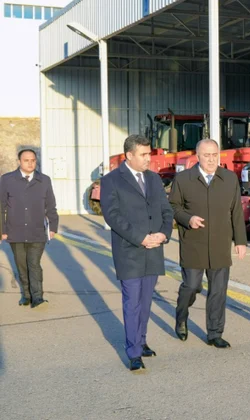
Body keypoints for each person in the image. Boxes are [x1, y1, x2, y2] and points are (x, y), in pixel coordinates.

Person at [100, 134, 173, 373]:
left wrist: (163, 234)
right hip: (130, 250)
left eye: (149, 153)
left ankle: (141, 341)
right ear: (129, 155)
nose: (148, 159)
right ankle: (133, 352)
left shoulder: (153, 179)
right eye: (143, 154)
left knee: (145, 301)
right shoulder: (112, 180)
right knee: (132, 302)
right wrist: (140, 238)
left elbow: (166, 210)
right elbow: (113, 216)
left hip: (153, 250)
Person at [169, 139, 247, 348]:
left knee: (218, 291)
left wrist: (240, 240)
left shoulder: (230, 179)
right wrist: (188, 219)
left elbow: (236, 212)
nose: (211, 159)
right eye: (206, 155)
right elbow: (173, 207)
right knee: (192, 286)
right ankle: (181, 316)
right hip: (193, 243)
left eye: (215, 155)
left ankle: (214, 333)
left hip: (220, 244)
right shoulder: (183, 179)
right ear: (197, 156)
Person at [0, 149, 58, 308]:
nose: (30, 163)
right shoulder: (7, 180)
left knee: (34, 264)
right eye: (26, 160)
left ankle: (38, 297)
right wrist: (2, 230)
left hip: (37, 231)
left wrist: (53, 226)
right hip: (15, 231)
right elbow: (1, 206)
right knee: (21, 265)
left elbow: (51, 205)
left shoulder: (44, 180)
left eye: (33, 160)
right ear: (19, 161)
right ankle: (26, 295)